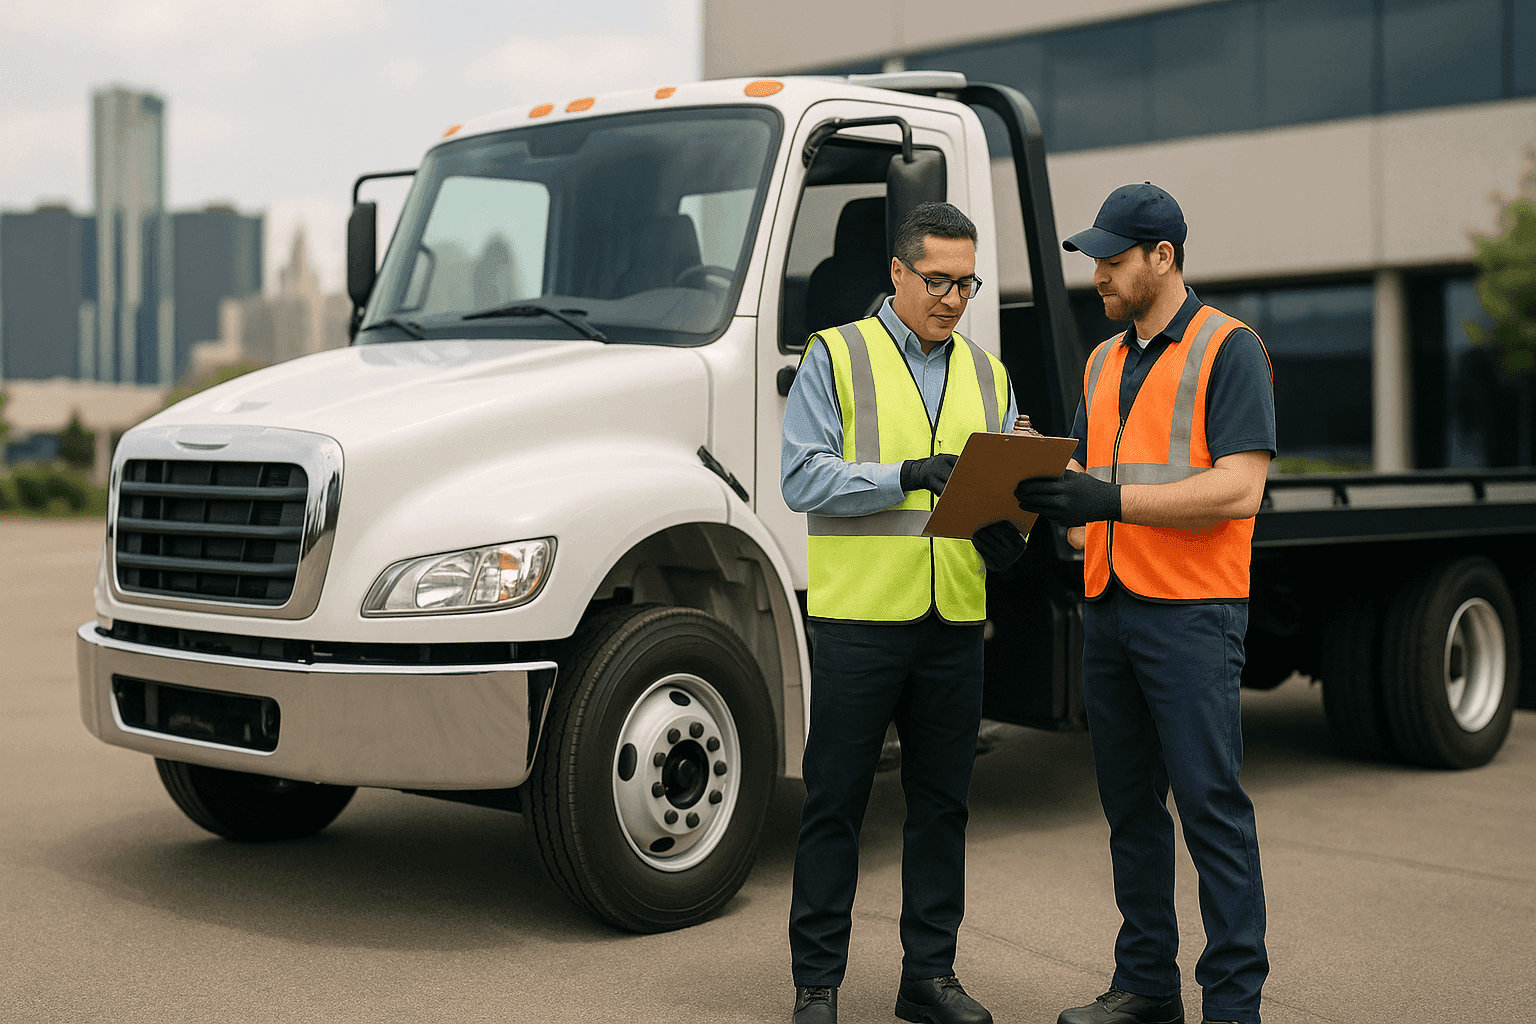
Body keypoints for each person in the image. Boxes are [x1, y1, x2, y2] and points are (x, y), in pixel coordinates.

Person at [1014, 183, 1275, 1024]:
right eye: (1094, 259)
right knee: (1129, 809)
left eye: (1113, 259)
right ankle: (1147, 985)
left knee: (1210, 811)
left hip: (1193, 614)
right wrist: (1033, 470)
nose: (1098, 274)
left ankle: (1232, 1006)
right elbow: (1089, 484)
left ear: (1163, 257)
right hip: (1110, 606)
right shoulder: (1102, 361)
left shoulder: (1229, 347)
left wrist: (1108, 502)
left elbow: (1240, 488)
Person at [781, 201, 1028, 1024]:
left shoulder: (991, 376)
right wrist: (905, 475)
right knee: (835, 805)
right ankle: (817, 986)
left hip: (954, 621)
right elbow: (801, 477)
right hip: (860, 622)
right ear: (897, 272)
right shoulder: (836, 355)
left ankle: (928, 979)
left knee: (942, 810)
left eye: (966, 284)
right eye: (937, 281)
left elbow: (1001, 482)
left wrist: (1009, 530)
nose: (953, 299)